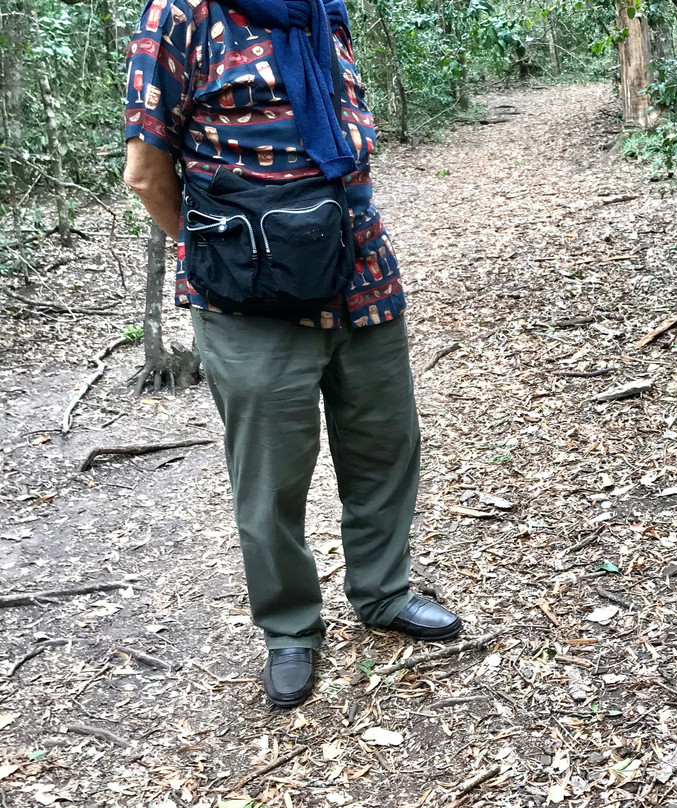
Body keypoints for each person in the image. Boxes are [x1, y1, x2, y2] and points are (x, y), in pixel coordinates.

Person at [122, 0, 461, 709]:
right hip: (250, 295)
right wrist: (223, 251)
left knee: (386, 446)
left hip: (360, 272)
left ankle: (382, 592)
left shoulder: (322, 11)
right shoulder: (181, 14)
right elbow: (147, 174)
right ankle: (289, 628)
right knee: (270, 478)